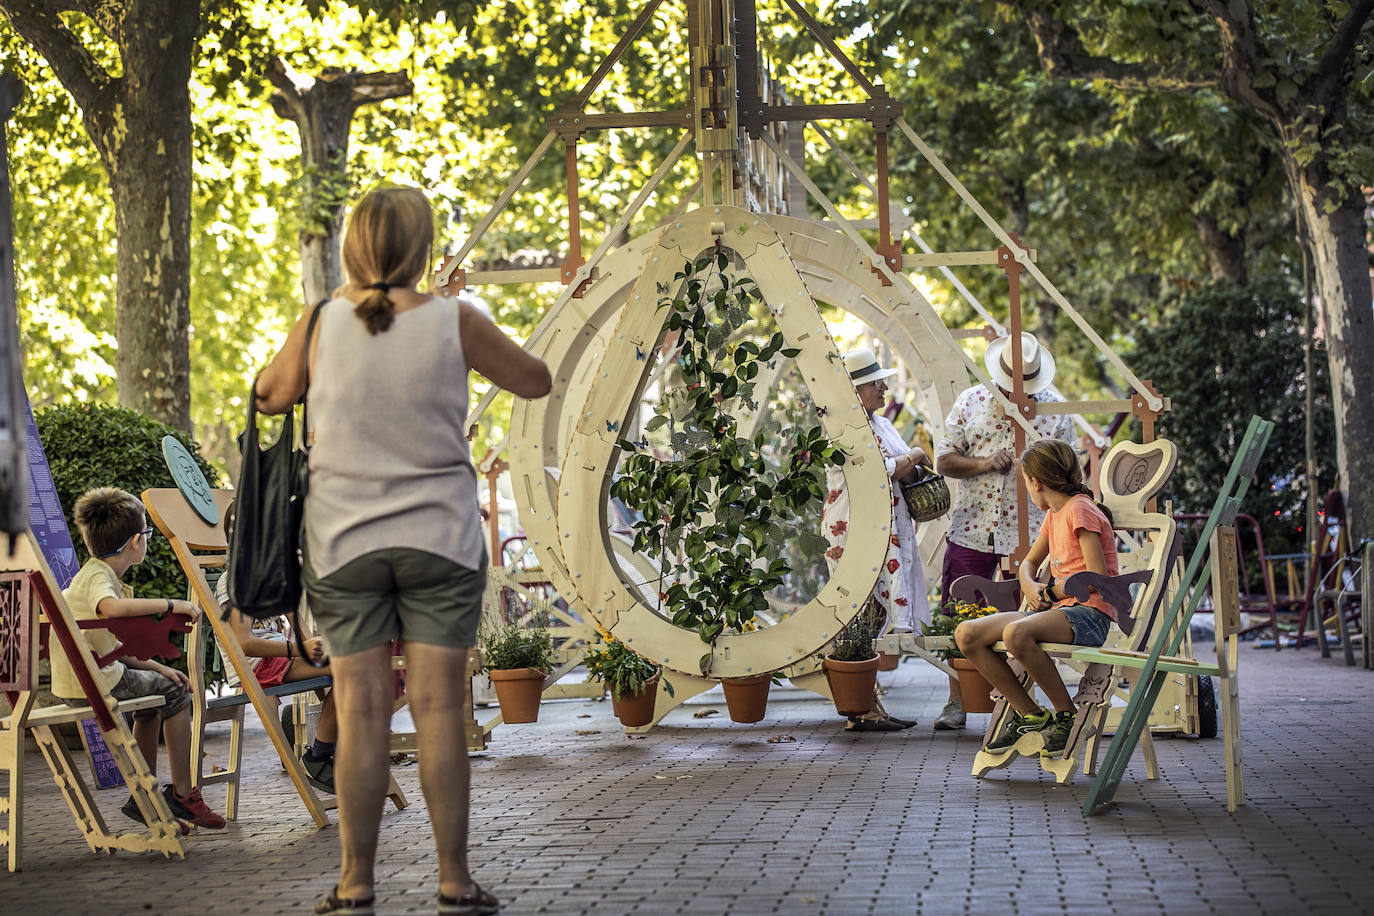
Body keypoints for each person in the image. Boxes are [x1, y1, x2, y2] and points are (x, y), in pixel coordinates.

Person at [254, 186, 551, 916]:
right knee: (440, 708)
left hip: (344, 542)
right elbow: (536, 379)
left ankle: (355, 883)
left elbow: (268, 393)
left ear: (354, 249)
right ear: (421, 251)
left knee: (359, 712)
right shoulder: (457, 322)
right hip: (440, 541)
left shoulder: (322, 321)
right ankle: (454, 880)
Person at [51, 487, 226, 830]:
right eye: (146, 533)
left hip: (89, 677)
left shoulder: (94, 574)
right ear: (135, 542)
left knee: (157, 695)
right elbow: (111, 610)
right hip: (96, 682)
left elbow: (118, 648)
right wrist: (170, 604)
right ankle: (183, 793)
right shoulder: (99, 578)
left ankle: (143, 797)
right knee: (176, 695)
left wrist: (160, 667)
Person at [932, 331, 1073, 731]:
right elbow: (944, 460)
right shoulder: (971, 400)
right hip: (973, 525)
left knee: (1024, 617)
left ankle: (1018, 704)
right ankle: (955, 699)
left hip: (1031, 531)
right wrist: (983, 464)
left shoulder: (1057, 409)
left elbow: (1070, 466)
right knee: (958, 609)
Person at [953, 439, 1118, 756]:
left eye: (1025, 481)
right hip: (1058, 614)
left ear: (1036, 481)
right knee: (967, 634)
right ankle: (1031, 715)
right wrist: (1028, 585)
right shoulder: (1055, 514)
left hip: (1089, 615)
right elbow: (1029, 563)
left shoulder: (1080, 510)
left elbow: (1096, 578)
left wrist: (1052, 591)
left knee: (1017, 632)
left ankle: (1066, 716)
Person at [822, 347, 931, 732]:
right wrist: (917, 454)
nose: (884, 388)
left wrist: (912, 461)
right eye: (875, 383)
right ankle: (860, 707)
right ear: (857, 390)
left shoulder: (879, 424)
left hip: (887, 529)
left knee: (875, 615)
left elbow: (904, 469)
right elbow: (883, 470)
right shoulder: (842, 428)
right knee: (861, 613)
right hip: (855, 530)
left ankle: (870, 704)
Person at [214, 501, 338, 793]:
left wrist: (312, 644)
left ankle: (329, 749)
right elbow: (244, 644)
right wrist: (299, 650)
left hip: (281, 656)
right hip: (256, 666)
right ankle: (319, 757)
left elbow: (299, 631)